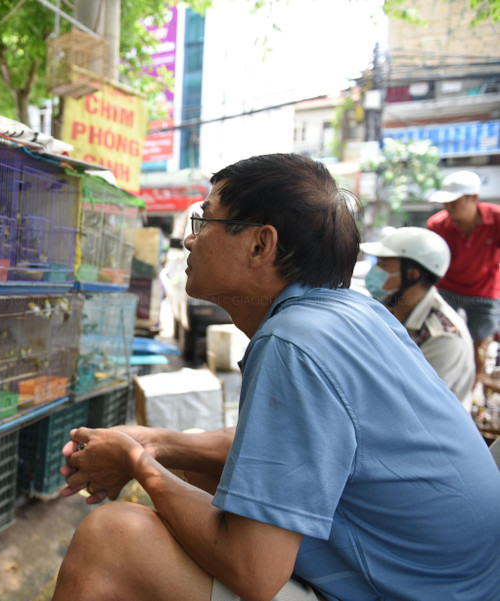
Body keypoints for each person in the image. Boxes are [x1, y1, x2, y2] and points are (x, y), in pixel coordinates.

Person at [52, 154, 500, 601]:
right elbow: (281, 444)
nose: (190, 241)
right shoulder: (353, 311)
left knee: (112, 538)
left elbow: (254, 572)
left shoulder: (293, 342)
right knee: (198, 464)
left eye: (204, 221)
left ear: (260, 245)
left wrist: (136, 463)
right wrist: (156, 442)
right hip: (452, 582)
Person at [361, 227, 475, 409]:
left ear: (411, 275)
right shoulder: (387, 306)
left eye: (382, 265)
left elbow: (416, 404)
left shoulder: (442, 337)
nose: (374, 271)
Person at [425, 170, 500, 382]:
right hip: (448, 288)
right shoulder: (437, 225)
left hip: (485, 290)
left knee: (480, 343)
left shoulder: (496, 220)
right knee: (441, 334)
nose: (448, 207)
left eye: (454, 202)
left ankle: (477, 382)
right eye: (445, 203)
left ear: (473, 198)